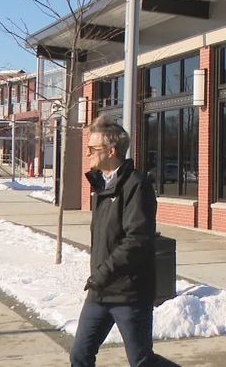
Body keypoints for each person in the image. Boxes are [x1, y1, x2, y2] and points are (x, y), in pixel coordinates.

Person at [70, 116, 158, 367]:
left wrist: (103, 273)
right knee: (80, 354)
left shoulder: (136, 186)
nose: (88, 153)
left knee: (141, 361)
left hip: (129, 293)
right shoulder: (101, 186)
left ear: (111, 151)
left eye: (93, 149)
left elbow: (136, 240)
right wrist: (100, 277)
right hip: (100, 292)